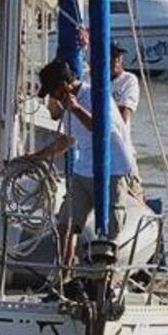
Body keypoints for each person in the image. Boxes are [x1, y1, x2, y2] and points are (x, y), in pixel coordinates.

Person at [34, 59, 140, 266]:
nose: (52, 98)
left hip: (113, 169)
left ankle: (106, 279)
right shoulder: (68, 106)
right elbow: (68, 139)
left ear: (63, 86)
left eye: (52, 92)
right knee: (66, 223)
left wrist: (75, 108)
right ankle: (64, 273)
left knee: (111, 230)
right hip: (84, 169)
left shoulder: (95, 95)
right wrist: (37, 156)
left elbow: (101, 129)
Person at [109, 40, 140, 128]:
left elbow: (123, 117)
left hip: (118, 136)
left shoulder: (129, 80)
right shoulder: (91, 79)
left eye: (118, 56)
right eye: (112, 56)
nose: (115, 60)